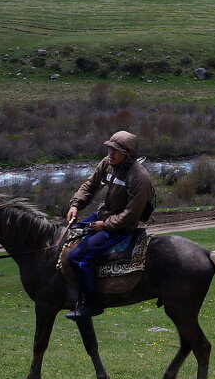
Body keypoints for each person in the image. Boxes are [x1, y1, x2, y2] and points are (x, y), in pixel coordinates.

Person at [63, 131, 154, 320]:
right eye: (109, 149)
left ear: (127, 155)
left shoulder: (140, 178)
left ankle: (92, 303)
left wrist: (104, 225)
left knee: (77, 258)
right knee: (66, 235)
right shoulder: (108, 163)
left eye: (115, 151)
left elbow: (131, 215)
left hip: (120, 226)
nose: (110, 154)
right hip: (104, 215)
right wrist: (75, 205)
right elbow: (90, 185)